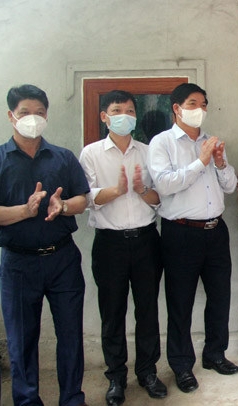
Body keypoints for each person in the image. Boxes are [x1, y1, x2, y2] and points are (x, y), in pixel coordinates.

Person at [0, 84, 89, 405]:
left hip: (62, 259)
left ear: (47, 116)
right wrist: (24, 211)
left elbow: (82, 198)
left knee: (70, 335)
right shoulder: (0, 159)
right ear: (11, 116)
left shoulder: (62, 157)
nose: (33, 119)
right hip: (18, 264)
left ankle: (72, 399)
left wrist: (62, 206)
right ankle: (26, 401)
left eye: (39, 113)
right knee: (21, 340)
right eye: (25, 113)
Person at [148, 83, 238, 393]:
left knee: (219, 298)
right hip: (181, 233)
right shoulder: (162, 143)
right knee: (180, 302)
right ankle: (182, 365)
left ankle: (215, 354)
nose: (199, 109)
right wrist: (200, 161)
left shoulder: (210, 142)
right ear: (177, 108)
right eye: (192, 103)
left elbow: (229, 186)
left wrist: (219, 161)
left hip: (216, 231)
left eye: (203, 104)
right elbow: (164, 185)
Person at [79, 90, 166, 405]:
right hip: (110, 244)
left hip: (146, 241)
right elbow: (85, 197)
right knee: (112, 313)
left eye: (130, 110)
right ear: (104, 116)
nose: (124, 116)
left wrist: (142, 190)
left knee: (147, 311)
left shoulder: (147, 151)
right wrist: (114, 191)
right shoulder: (91, 153)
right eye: (117, 110)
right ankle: (116, 378)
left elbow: (160, 197)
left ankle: (147, 372)